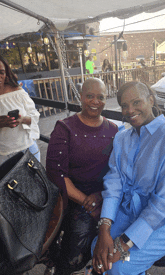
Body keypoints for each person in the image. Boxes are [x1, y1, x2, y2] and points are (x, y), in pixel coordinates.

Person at [92, 81, 165, 275]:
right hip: (132, 210)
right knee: (97, 249)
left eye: (136, 102)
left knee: (119, 266)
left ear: (150, 100)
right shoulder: (122, 137)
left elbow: (164, 204)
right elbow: (114, 182)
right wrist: (104, 227)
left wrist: (124, 244)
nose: (130, 110)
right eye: (124, 105)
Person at [46, 78, 119, 275]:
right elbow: (56, 173)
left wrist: (102, 196)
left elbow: (118, 171)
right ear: (81, 97)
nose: (95, 101)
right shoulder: (65, 128)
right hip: (72, 198)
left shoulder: (114, 130)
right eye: (90, 96)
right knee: (73, 256)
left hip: (105, 196)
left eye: (101, 97)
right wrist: (88, 201)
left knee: (114, 244)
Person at [0, 55, 40, 165]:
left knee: (35, 181)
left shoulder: (18, 92)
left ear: (6, 74)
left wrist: (22, 119)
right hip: (3, 156)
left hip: (28, 148)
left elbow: (35, 117)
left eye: (1, 72)